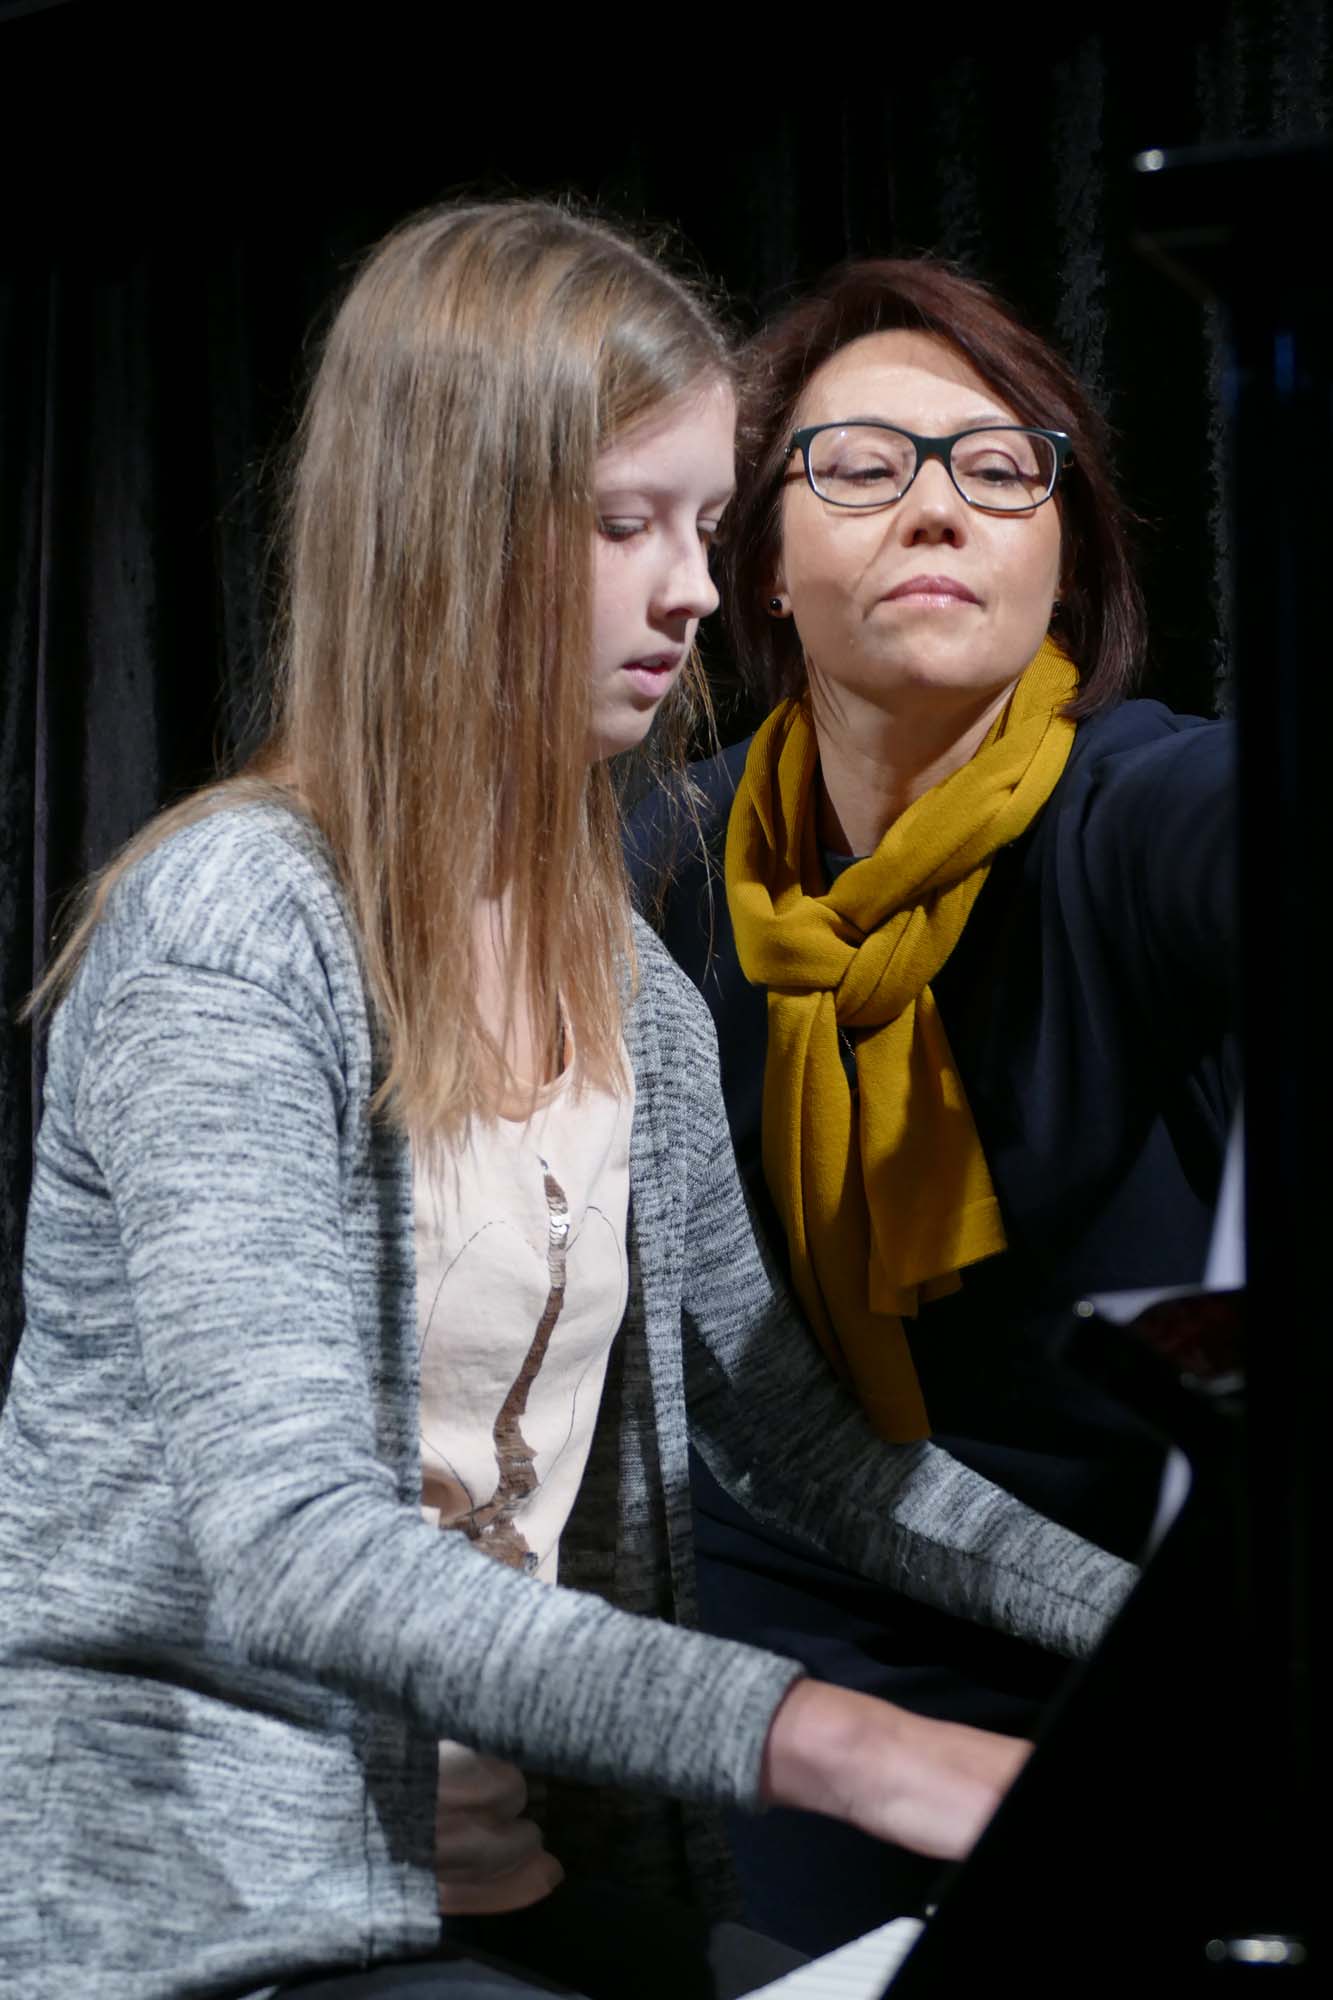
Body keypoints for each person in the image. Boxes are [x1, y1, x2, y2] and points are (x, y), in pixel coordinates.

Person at [0, 206, 1134, 2000]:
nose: (692, 591)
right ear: (444, 528)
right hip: (208, 1912)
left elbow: (800, 1444)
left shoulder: (621, 978)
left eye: (701, 524)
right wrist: (856, 1747)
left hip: (497, 1882)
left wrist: (1169, 1641)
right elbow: (295, 1552)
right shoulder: (237, 928)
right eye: (624, 526)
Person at [629, 255, 1236, 1953]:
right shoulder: (656, 867)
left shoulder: (1135, 809)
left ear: (1063, 547)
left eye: (997, 466)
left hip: (1156, 1619)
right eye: (858, 466)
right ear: (755, 557)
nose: (937, 508)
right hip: (808, 1614)